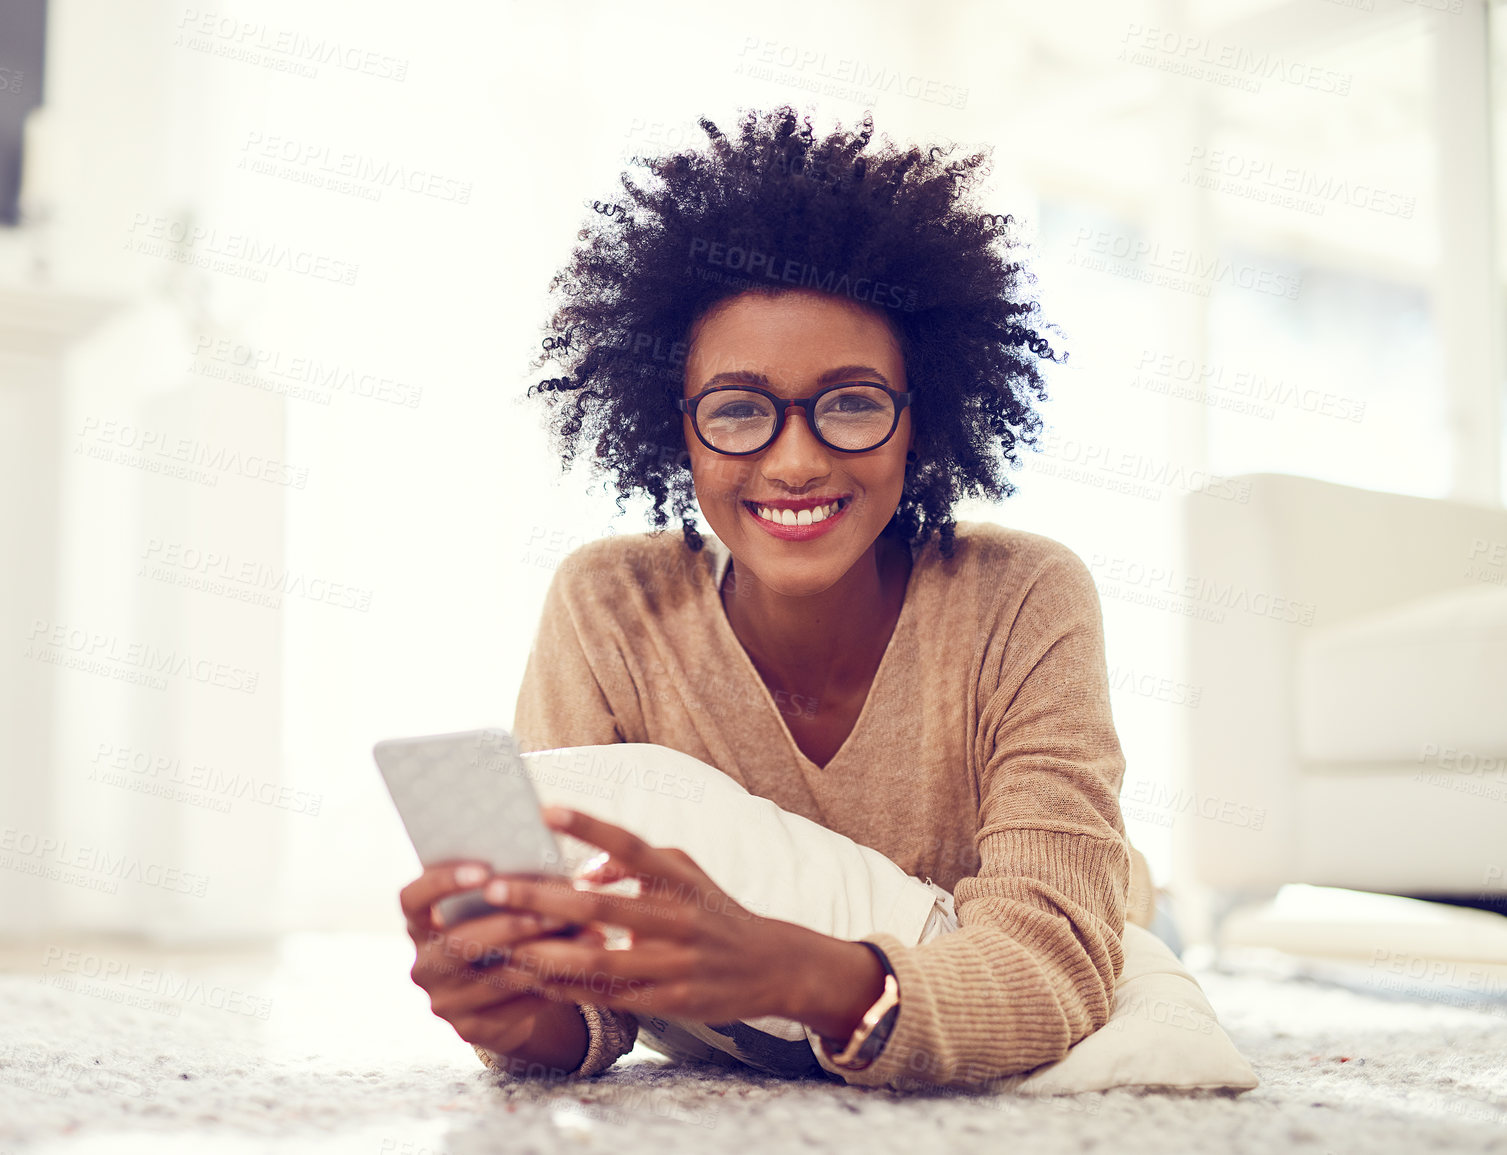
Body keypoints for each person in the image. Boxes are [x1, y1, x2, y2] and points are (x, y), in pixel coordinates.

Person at [398, 105, 1157, 1091]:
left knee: (1146, 944)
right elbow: (589, 1000)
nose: (794, 462)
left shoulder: (1022, 597)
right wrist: (509, 1005)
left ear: (918, 421)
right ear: (677, 434)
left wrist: (803, 972)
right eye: (740, 410)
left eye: (850, 403)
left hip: (1105, 901)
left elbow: (1050, 964)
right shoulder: (607, 606)